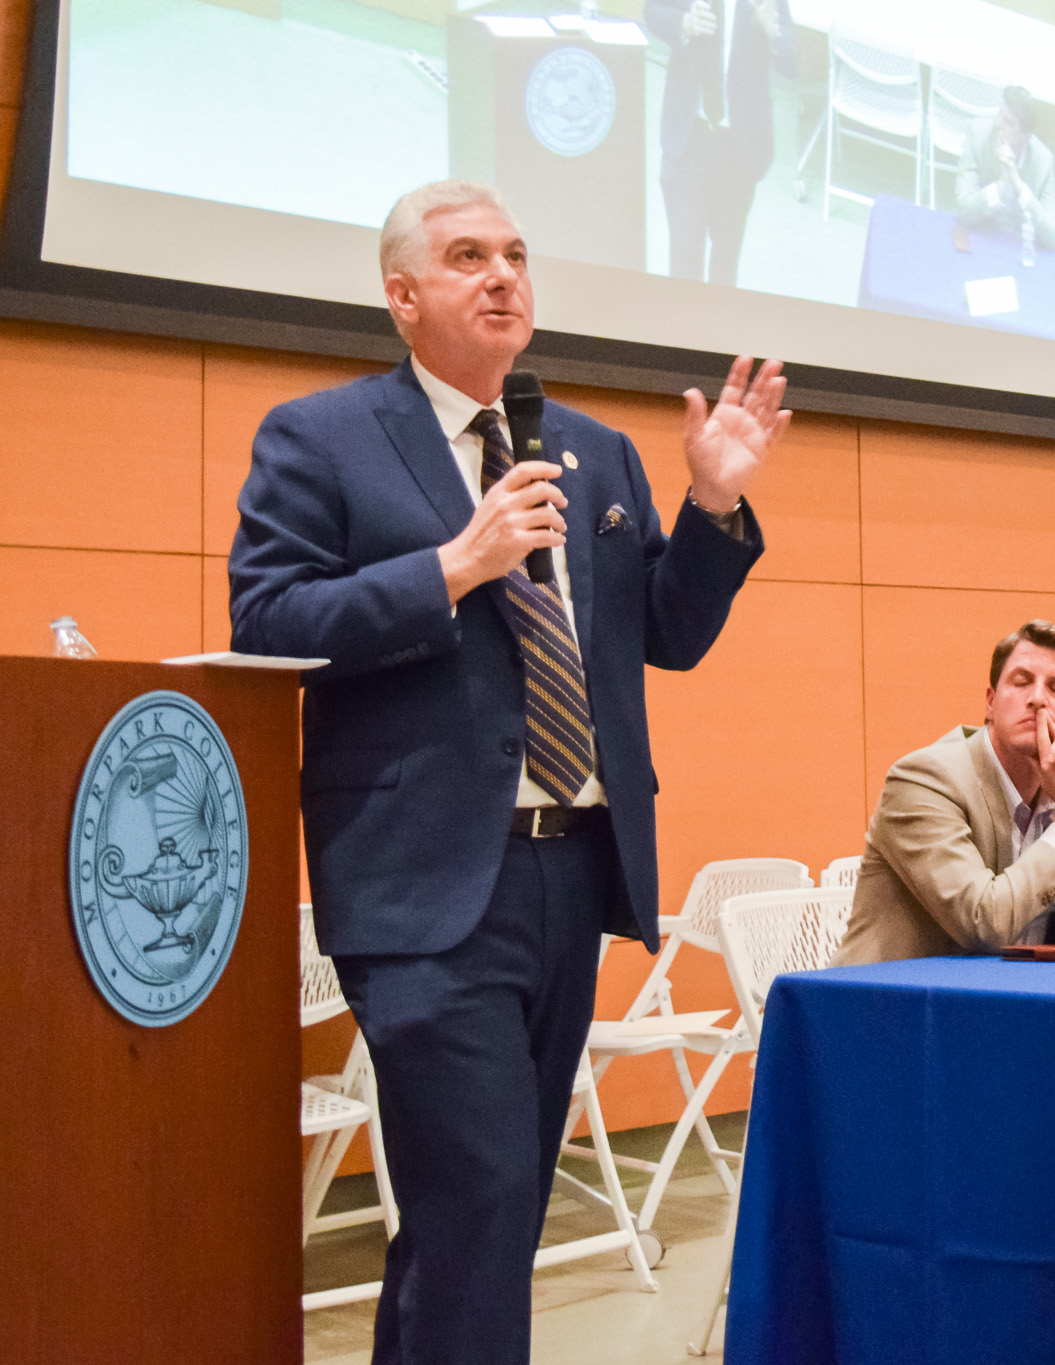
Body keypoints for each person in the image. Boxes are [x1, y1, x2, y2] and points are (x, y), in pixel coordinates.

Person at [229, 180, 789, 1364]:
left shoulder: (594, 452)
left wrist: (713, 500)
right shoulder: (320, 437)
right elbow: (267, 619)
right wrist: (451, 566)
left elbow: (670, 638)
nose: (502, 275)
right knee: (478, 1196)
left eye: (517, 255)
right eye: (467, 255)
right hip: (420, 884)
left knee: (482, 1211)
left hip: (569, 877)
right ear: (402, 294)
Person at [833, 620, 1055, 965]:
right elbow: (984, 924)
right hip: (892, 1008)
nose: (1038, 698)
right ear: (991, 703)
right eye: (1021, 682)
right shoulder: (924, 780)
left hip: (1017, 1006)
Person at [647, 0, 796, 284]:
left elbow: (791, 63)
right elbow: (653, 11)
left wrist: (772, 30)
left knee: (725, 268)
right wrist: (684, 23)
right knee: (682, 265)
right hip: (688, 140)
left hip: (738, 150)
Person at [954, 85, 1055, 251]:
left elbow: (1052, 238)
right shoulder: (977, 136)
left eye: (1008, 122)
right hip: (980, 235)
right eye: (1000, 114)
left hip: (1015, 244)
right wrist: (1000, 187)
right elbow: (962, 213)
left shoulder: (1043, 161)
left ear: (1025, 137)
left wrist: (1018, 185)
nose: (998, 125)